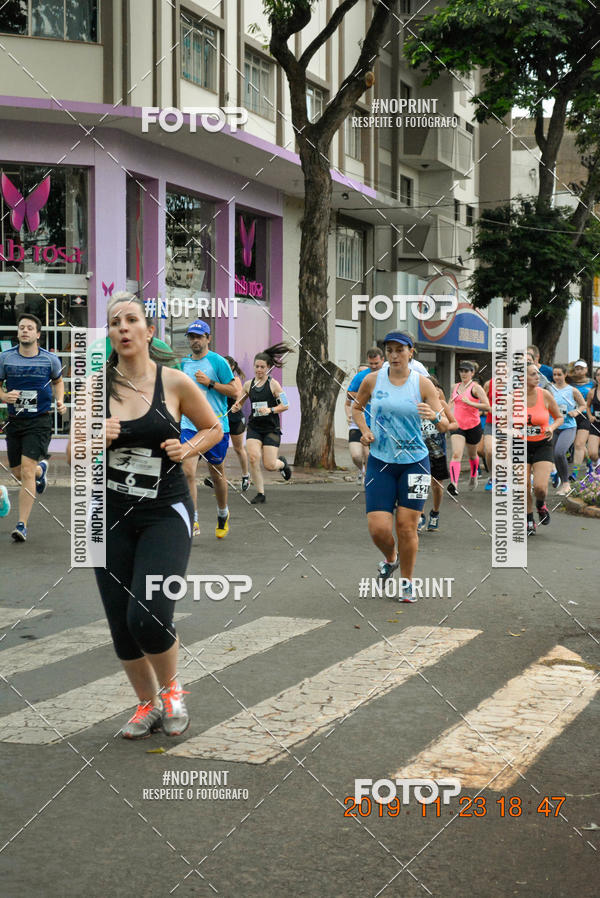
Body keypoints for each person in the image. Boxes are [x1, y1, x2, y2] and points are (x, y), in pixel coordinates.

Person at [67, 293, 222, 739]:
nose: (123, 327)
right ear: (111, 336)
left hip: (164, 513)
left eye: (132, 319)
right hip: (108, 514)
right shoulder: (97, 387)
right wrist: (96, 435)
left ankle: (173, 691)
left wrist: (187, 447)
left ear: (148, 331)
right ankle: (146, 704)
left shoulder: (174, 382)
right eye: (115, 322)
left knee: (148, 615)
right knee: (120, 622)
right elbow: (74, 449)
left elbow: (214, 428)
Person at [353, 331, 448, 603]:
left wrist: (435, 415)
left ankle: (407, 582)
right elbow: (357, 409)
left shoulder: (423, 385)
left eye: (399, 350)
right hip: (381, 462)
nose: (394, 355)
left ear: (410, 352)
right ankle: (391, 558)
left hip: (416, 463)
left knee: (406, 527)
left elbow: (443, 425)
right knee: (378, 529)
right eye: (390, 350)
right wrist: (364, 429)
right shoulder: (373, 380)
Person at [0, 312, 65, 541]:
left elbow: (58, 382)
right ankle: (41, 471)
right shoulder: (5, 358)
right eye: (21, 328)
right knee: (18, 472)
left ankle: (22, 525)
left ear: (38, 334)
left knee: (26, 470)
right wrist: (4, 396)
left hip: (39, 420)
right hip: (15, 421)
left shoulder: (49, 359)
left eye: (29, 328)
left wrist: (60, 400)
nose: (24, 331)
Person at [179, 320, 240, 538]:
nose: (195, 340)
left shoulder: (218, 362)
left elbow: (235, 391)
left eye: (199, 336)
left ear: (208, 338)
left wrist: (210, 383)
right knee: (187, 470)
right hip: (189, 425)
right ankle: (193, 520)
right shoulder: (183, 364)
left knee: (216, 474)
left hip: (215, 426)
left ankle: (223, 513)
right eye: (191, 336)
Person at [230, 343, 293, 504]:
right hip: (254, 428)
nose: (259, 370)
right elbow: (239, 402)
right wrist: (236, 407)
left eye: (262, 367)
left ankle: (282, 465)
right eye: (256, 366)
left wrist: (271, 410)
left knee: (270, 464)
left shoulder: (273, 385)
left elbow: (286, 405)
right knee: (253, 458)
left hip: (271, 428)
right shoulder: (248, 385)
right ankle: (260, 493)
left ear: (268, 368)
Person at [524, 363, 564, 535]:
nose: (537, 377)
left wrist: (552, 427)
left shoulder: (545, 395)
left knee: (540, 487)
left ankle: (540, 505)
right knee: (523, 486)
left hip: (542, 444)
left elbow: (559, 418)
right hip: (520, 445)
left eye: (538, 374)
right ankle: (528, 520)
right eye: (533, 374)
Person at [418, 375, 458, 532]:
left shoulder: (441, 405)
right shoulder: (417, 405)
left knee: (436, 486)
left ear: (437, 389)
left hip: (438, 451)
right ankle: (419, 516)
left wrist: (442, 425)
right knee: (420, 483)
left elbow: (455, 423)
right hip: (419, 451)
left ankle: (435, 512)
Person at [447, 361, 490, 495]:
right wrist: (445, 415)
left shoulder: (476, 388)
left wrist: (470, 402)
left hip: (473, 426)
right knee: (456, 454)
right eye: (461, 371)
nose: (463, 373)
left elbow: (487, 406)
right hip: (457, 425)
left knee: (472, 455)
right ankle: (454, 484)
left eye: (466, 371)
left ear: (472, 373)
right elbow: (450, 403)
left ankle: (473, 474)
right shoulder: (455, 386)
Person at [346, 350, 384, 483]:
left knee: (369, 454)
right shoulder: (362, 376)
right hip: (362, 420)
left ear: (383, 360)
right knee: (356, 455)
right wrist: (364, 396)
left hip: (381, 422)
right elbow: (349, 394)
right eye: (371, 363)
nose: (373, 366)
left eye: (376, 363)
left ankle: (369, 480)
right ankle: (363, 471)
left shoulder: (389, 375)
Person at [549, 364, 586, 495]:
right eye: (554, 375)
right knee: (554, 456)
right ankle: (559, 477)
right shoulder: (549, 390)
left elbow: (583, 405)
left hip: (568, 427)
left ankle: (566, 484)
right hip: (553, 427)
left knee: (559, 452)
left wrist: (576, 411)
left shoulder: (572, 390)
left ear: (565, 375)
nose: (556, 377)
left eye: (559, 374)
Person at [567, 360, 594, 480]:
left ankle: (575, 474)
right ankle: (589, 462)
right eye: (577, 368)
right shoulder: (570, 383)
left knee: (579, 444)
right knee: (579, 445)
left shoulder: (593, 383)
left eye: (581, 368)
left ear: (586, 370)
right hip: (573, 416)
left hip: (586, 416)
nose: (579, 371)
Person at [586, 367, 600, 474]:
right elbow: (587, 406)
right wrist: (590, 415)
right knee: (592, 453)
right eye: (598, 375)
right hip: (596, 424)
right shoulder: (592, 392)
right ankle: (596, 464)